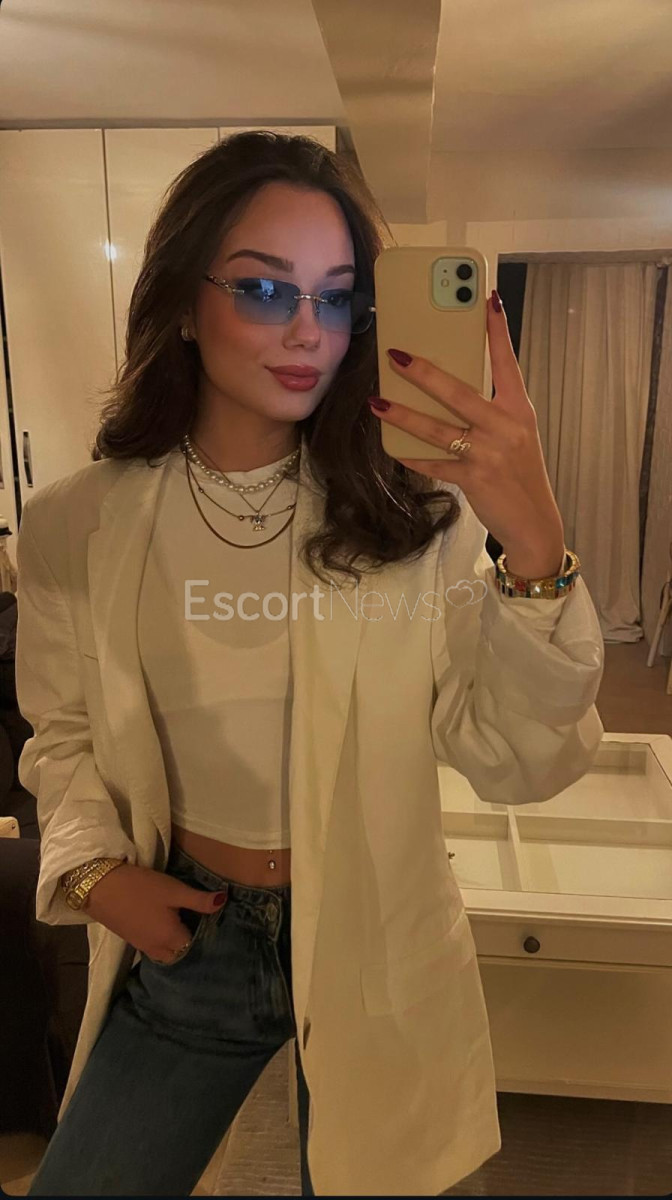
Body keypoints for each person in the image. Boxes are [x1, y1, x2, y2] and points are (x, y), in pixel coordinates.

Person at [16, 130, 604, 1197]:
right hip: (189, 938)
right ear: (182, 303)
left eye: (336, 299)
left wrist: (534, 551)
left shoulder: (410, 521)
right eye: (263, 289)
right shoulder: (76, 524)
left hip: (377, 929)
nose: (307, 332)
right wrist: (96, 873)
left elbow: (516, 760)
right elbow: (62, 734)